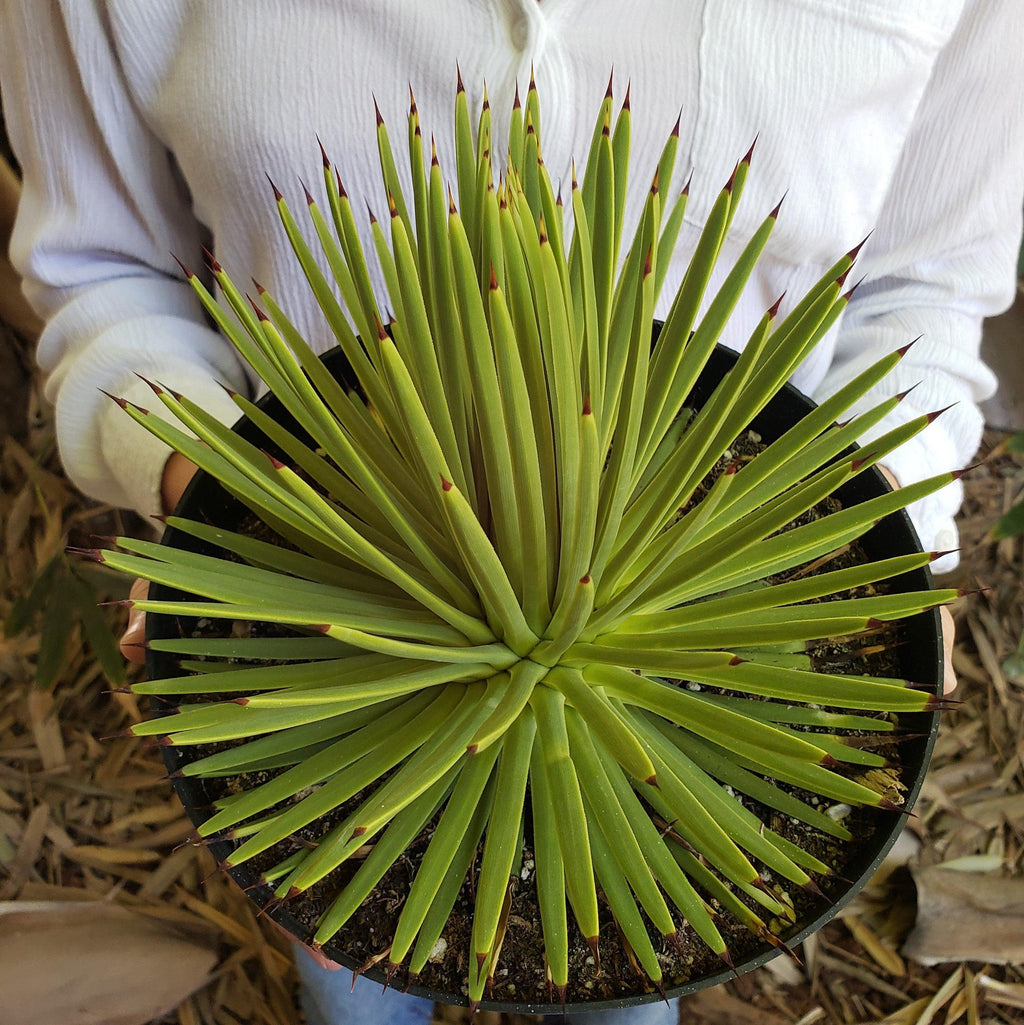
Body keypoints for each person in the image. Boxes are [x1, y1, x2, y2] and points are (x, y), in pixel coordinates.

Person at [2, 2, 1021, 1022]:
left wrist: (886, 535)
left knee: (625, 968)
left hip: (717, 604)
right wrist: (220, 498)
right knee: (350, 969)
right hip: (343, 593)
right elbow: (103, 273)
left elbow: (920, 291)